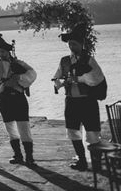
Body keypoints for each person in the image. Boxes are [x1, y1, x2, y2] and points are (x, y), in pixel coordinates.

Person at [53, 24, 106, 171]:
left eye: (74, 44)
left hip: (87, 101)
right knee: (73, 131)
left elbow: (97, 78)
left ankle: (96, 163)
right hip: (71, 101)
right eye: (70, 44)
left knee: (92, 133)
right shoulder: (64, 61)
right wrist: (60, 83)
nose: (71, 46)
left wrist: (79, 78)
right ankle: (82, 161)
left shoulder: (89, 60)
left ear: (81, 45)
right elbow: (56, 77)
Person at [0, 33, 37, 165]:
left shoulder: (20, 63)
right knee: (10, 127)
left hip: (18, 98)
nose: (1, 54)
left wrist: (18, 79)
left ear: (8, 51)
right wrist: (4, 85)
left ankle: (29, 157)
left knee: (24, 126)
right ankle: (17, 155)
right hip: (3, 99)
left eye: (3, 51)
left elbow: (32, 74)